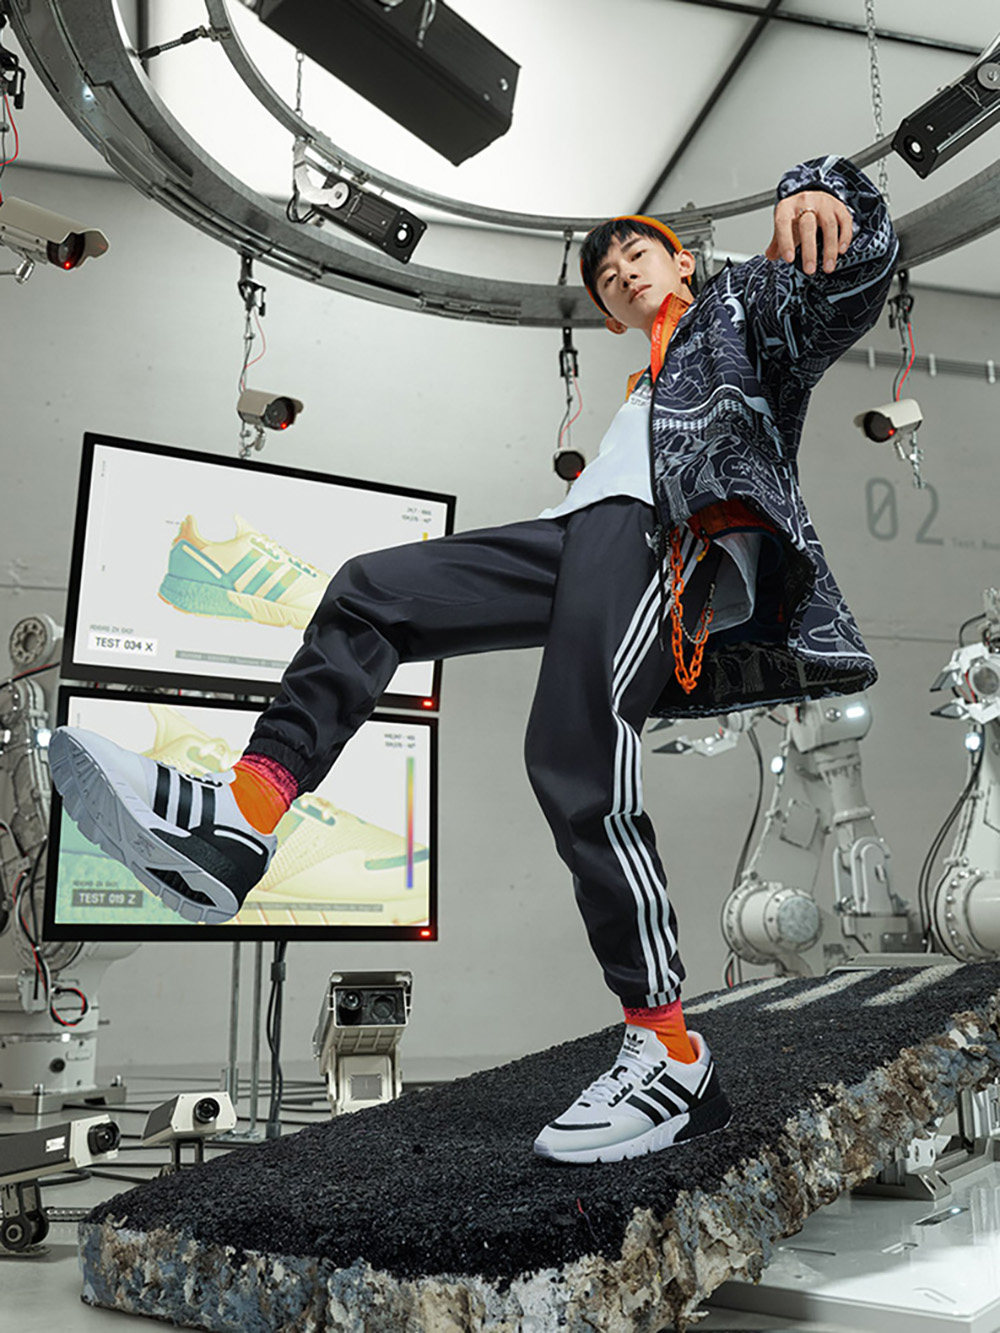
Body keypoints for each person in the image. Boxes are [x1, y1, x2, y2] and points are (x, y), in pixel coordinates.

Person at [50, 154, 897, 1165]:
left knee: (573, 751)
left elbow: (850, 283)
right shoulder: (644, 380)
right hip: (580, 530)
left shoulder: (744, 310)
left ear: (681, 262)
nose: (622, 273)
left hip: (664, 533)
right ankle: (242, 815)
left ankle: (670, 1053)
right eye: (606, 277)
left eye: (636, 254)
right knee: (369, 589)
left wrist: (826, 189)